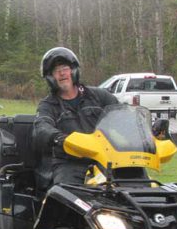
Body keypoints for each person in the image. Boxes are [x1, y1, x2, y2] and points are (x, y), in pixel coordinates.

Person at [32, 47, 118, 190]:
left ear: (74, 71)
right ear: (51, 77)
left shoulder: (99, 96)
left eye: (65, 67)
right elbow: (42, 126)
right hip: (70, 163)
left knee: (140, 186)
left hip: (106, 159)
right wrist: (60, 138)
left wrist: (150, 131)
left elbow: (122, 115)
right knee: (63, 196)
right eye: (56, 70)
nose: (62, 73)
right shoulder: (48, 105)